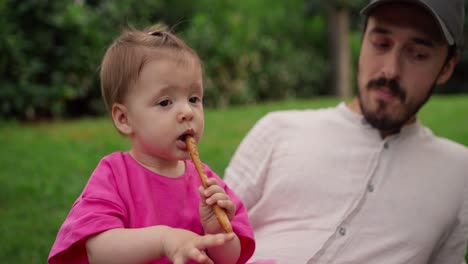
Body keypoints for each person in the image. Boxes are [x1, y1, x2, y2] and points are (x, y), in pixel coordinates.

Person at [224, 0, 468, 263]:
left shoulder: (459, 171)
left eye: (418, 54)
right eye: (381, 44)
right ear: (363, 39)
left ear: (446, 67)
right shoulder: (279, 129)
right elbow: (202, 230)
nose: (390, 70)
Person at [48, 25, 255, 264]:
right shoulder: (114, 175)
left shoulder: (207, 184)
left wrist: (217, 231)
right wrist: (164, 241)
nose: (187, 111)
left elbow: (230, 259)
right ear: (124, 119)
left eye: (194, 98)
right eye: (166, 102)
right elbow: (98, 250)